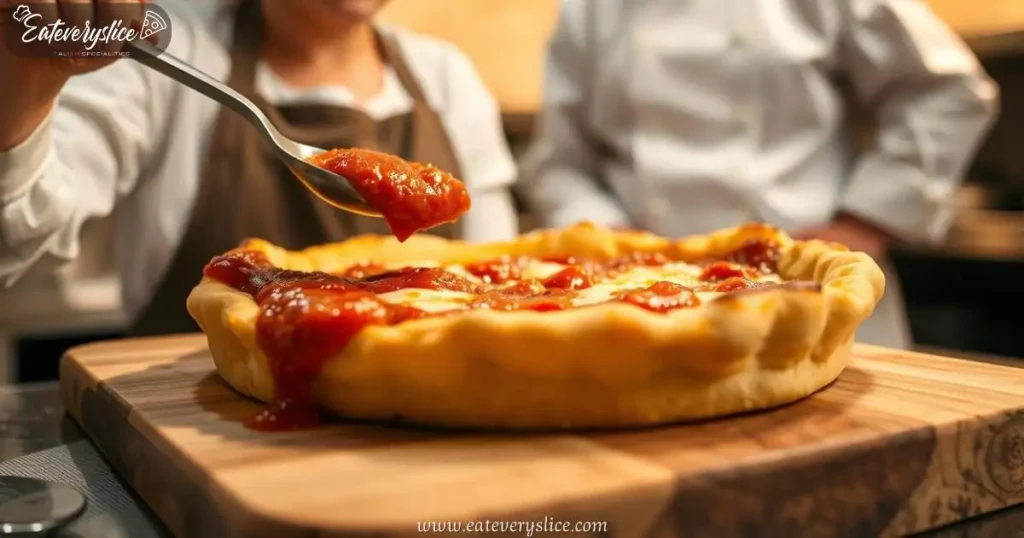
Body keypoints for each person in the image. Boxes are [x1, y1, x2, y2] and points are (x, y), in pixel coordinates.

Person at [0, 0, 519, 335]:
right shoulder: (156, 50)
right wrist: (26, 87)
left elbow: (498, 285)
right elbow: (12, 249)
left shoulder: (446, 76)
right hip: (188, 415)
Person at [520, 0, 999, 349]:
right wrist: (612, 241)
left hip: (805, 288)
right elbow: (557, 162)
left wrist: (865, 223)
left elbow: (948, 93)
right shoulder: (587, 10)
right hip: (636, 306)